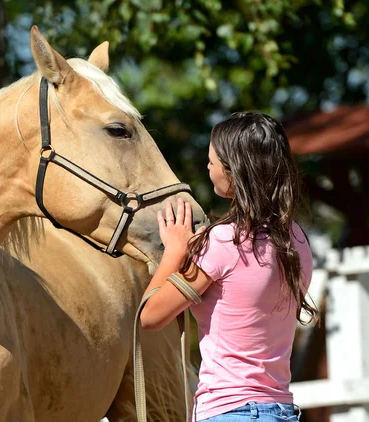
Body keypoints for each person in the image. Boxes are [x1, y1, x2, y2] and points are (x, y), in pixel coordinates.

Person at [140, 111, 318, 422]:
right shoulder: (298, 242)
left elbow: (150, 316)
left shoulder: (224, 242)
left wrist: (175, 250)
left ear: (234, 172)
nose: (207, 165)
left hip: (229, 410)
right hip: (282, 410)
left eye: (213, 160)